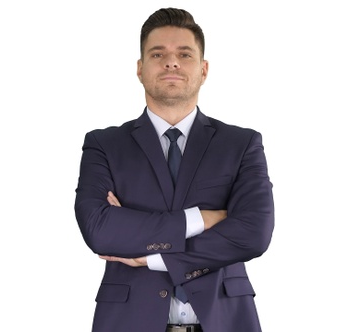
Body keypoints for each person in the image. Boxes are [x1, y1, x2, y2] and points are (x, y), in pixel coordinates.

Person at [74, 7, 275, 332]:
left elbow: (253, 235)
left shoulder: (241, 144)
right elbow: (100, 230)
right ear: (140, 69)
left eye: (184, 53)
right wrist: (205, 219)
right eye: (158, 54)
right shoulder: (104, 144)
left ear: (203, 69)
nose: (171, 62)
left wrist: (152, 254)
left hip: (224, 321)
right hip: (128, 322)